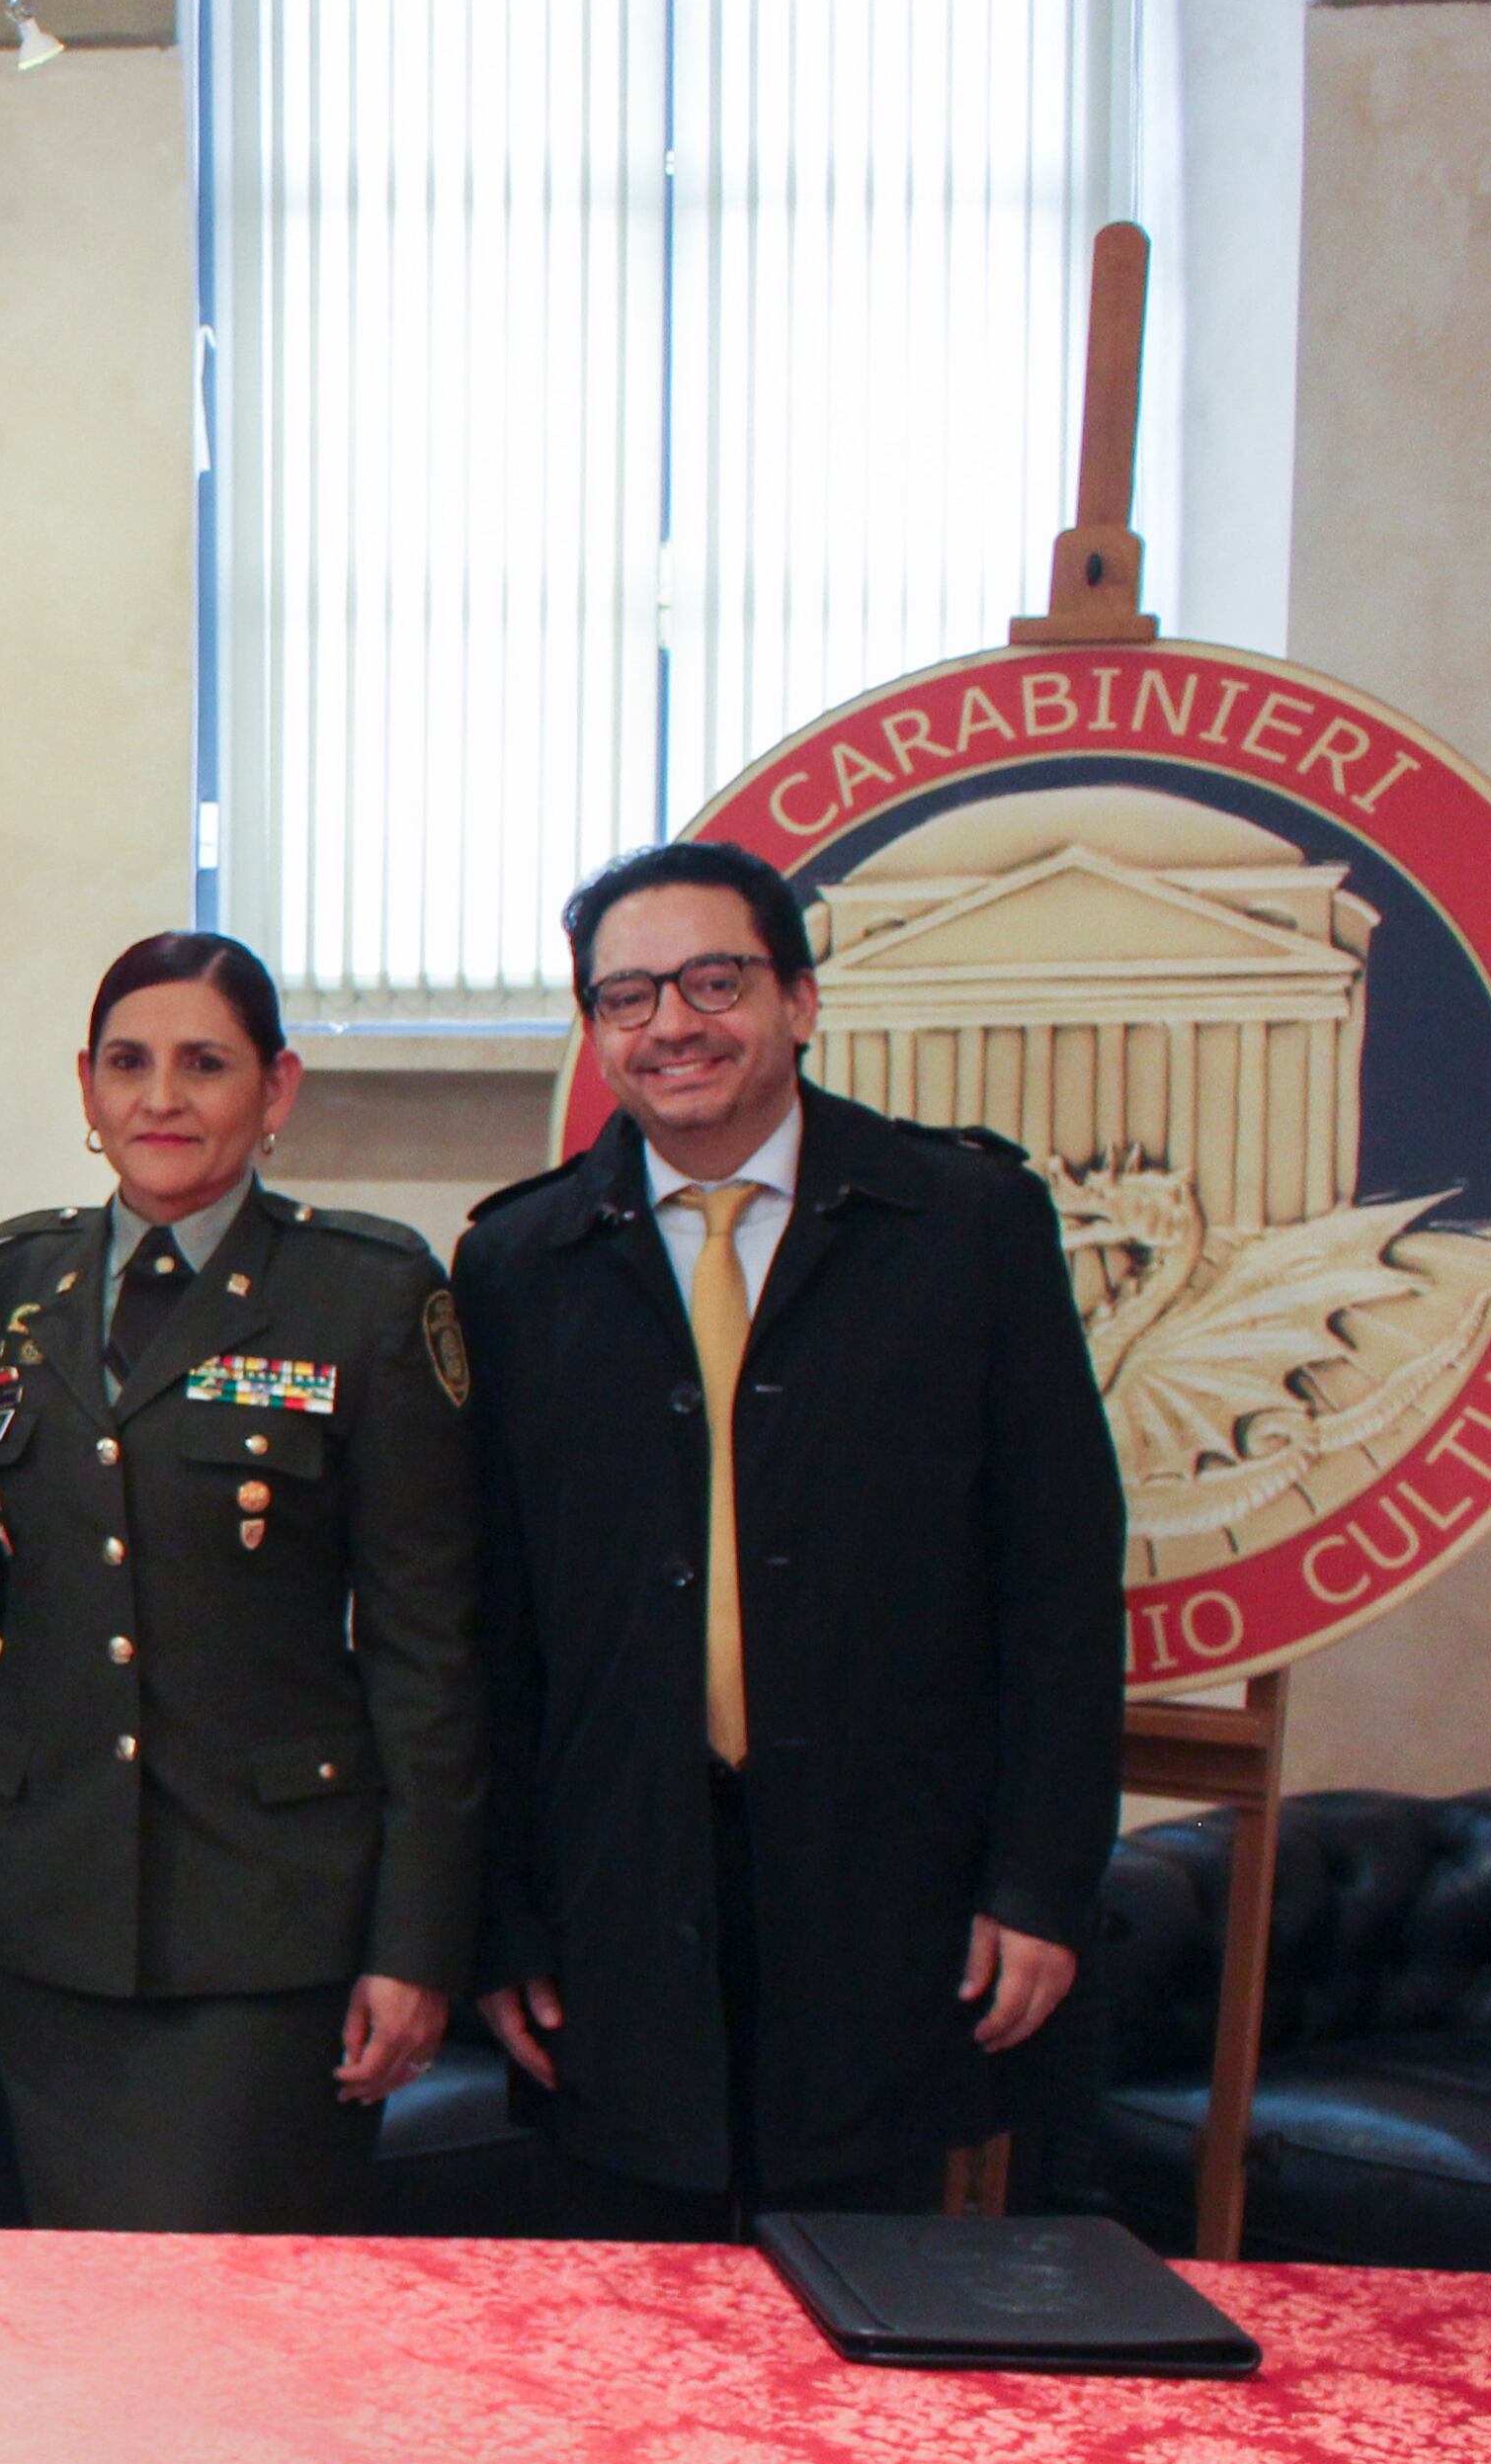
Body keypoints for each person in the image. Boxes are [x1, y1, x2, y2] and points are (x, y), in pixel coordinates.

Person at [456, 840, 1121, 2233]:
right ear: (595, 1030)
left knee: (867, 2308)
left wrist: (1041, 1879)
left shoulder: (962, 1224)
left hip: (890, 1887)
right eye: (627, 996)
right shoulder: (518, 1263)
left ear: (799, 1000)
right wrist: (499, 1917)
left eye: (714, 981)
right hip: (617, 1892)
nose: (672, 1025)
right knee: (629, 2323)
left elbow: (1056, 1581)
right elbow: (488, 1628)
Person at [0, 932, 478, 2231]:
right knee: (40, 2302)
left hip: (267, 1917)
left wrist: (414, 1945)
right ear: (86, 1086)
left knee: (216, 2308)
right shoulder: (7, 1284)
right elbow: (10, 1574)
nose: (160, 1099)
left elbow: (428, 1648)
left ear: (275, 1088)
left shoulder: (364, 1295)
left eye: (204, 1064)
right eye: (127, 1064)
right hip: (41, 1902)